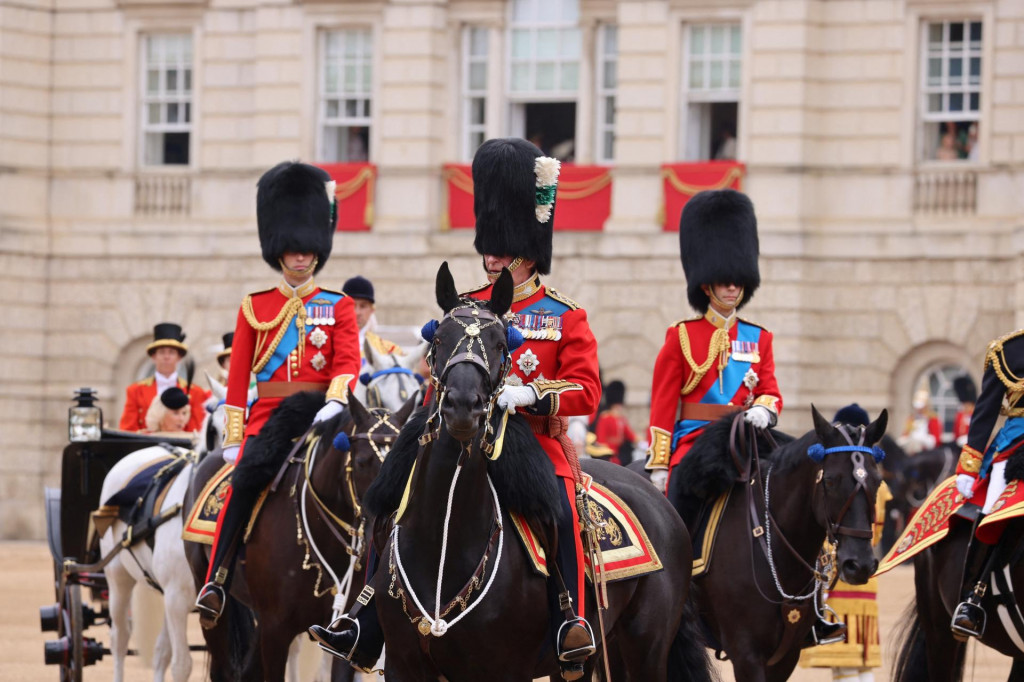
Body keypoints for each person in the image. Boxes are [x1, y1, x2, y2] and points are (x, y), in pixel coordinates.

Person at [309, 137, 602, 679]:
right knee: (388, 495)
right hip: (458, 430)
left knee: (561, 509)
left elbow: (587, 390)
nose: (490, 257)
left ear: (527, 249)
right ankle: (367, 616)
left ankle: (570, 618)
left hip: (530, 437)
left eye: (500, 248)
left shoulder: (566, 315)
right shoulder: (464, 306)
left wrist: (532, 394)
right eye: (487, 248)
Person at [194, 161, 361, 627]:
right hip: (268, 416)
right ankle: (217, 578)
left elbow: (348, 362)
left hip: (325, 414)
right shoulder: (255, 306)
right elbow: (237, 379)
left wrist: (335, 399)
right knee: (243, 485)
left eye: (308, 250)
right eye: (292, 250)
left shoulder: (339, 305)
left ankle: (371, 590)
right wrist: (232, 436)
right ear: (278, 251)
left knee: (366, 479)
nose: (301, 258)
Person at [645, 189, 782, 493]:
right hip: (695, 440)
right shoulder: (681, 335)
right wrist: (659, 463)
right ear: (707, 286)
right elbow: (664, 405)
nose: (733, 288)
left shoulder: (760, 337)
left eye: (738, 281)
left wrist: (763, 409)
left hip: (744, 438)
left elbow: (770, 391)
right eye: (724, 281)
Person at [799, 403, 891, 680]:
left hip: (836, 573)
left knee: (845, 665)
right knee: (862, 664)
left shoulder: (835, 480)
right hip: (866, 572)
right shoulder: (881, 487)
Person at [950, 329, 1024, 640]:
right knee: (994, 507)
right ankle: (973, 596)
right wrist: (970, 464)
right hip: (1018, 444)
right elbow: (985, 412)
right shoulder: (1009, 350)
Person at [119, 322, 207, 432]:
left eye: (171, 352)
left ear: (179, 357)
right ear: (153, 357)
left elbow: (197, 430)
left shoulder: (196, 392)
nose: (166, 357)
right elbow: (128, 429)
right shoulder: (135, 391)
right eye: (161, 352)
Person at [341, 275, 404, 363]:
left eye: (363, 306)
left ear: (372, 310)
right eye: (352, 305)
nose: (357, 312)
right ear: (341, 307)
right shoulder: (327, 345)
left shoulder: (389, 351)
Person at [593, 380, 637, 465]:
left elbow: (631, 436)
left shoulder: (622, 419)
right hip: (609, 457)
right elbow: (601, 440)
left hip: (621, 456)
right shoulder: (605, 418)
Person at [896, 388, 942, 455]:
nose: (918, 409)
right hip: (911, 447)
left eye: (921, 407)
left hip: (926, 450)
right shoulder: (911, 418)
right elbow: (906, 433)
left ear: (926, 406)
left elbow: (936, 440)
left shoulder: (933, 418)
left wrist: (922, 439)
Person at [952, 375, 977, 446]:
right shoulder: (960, 414)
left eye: (967, 405)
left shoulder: (975, 414)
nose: (965, 407)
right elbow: (956, 432)